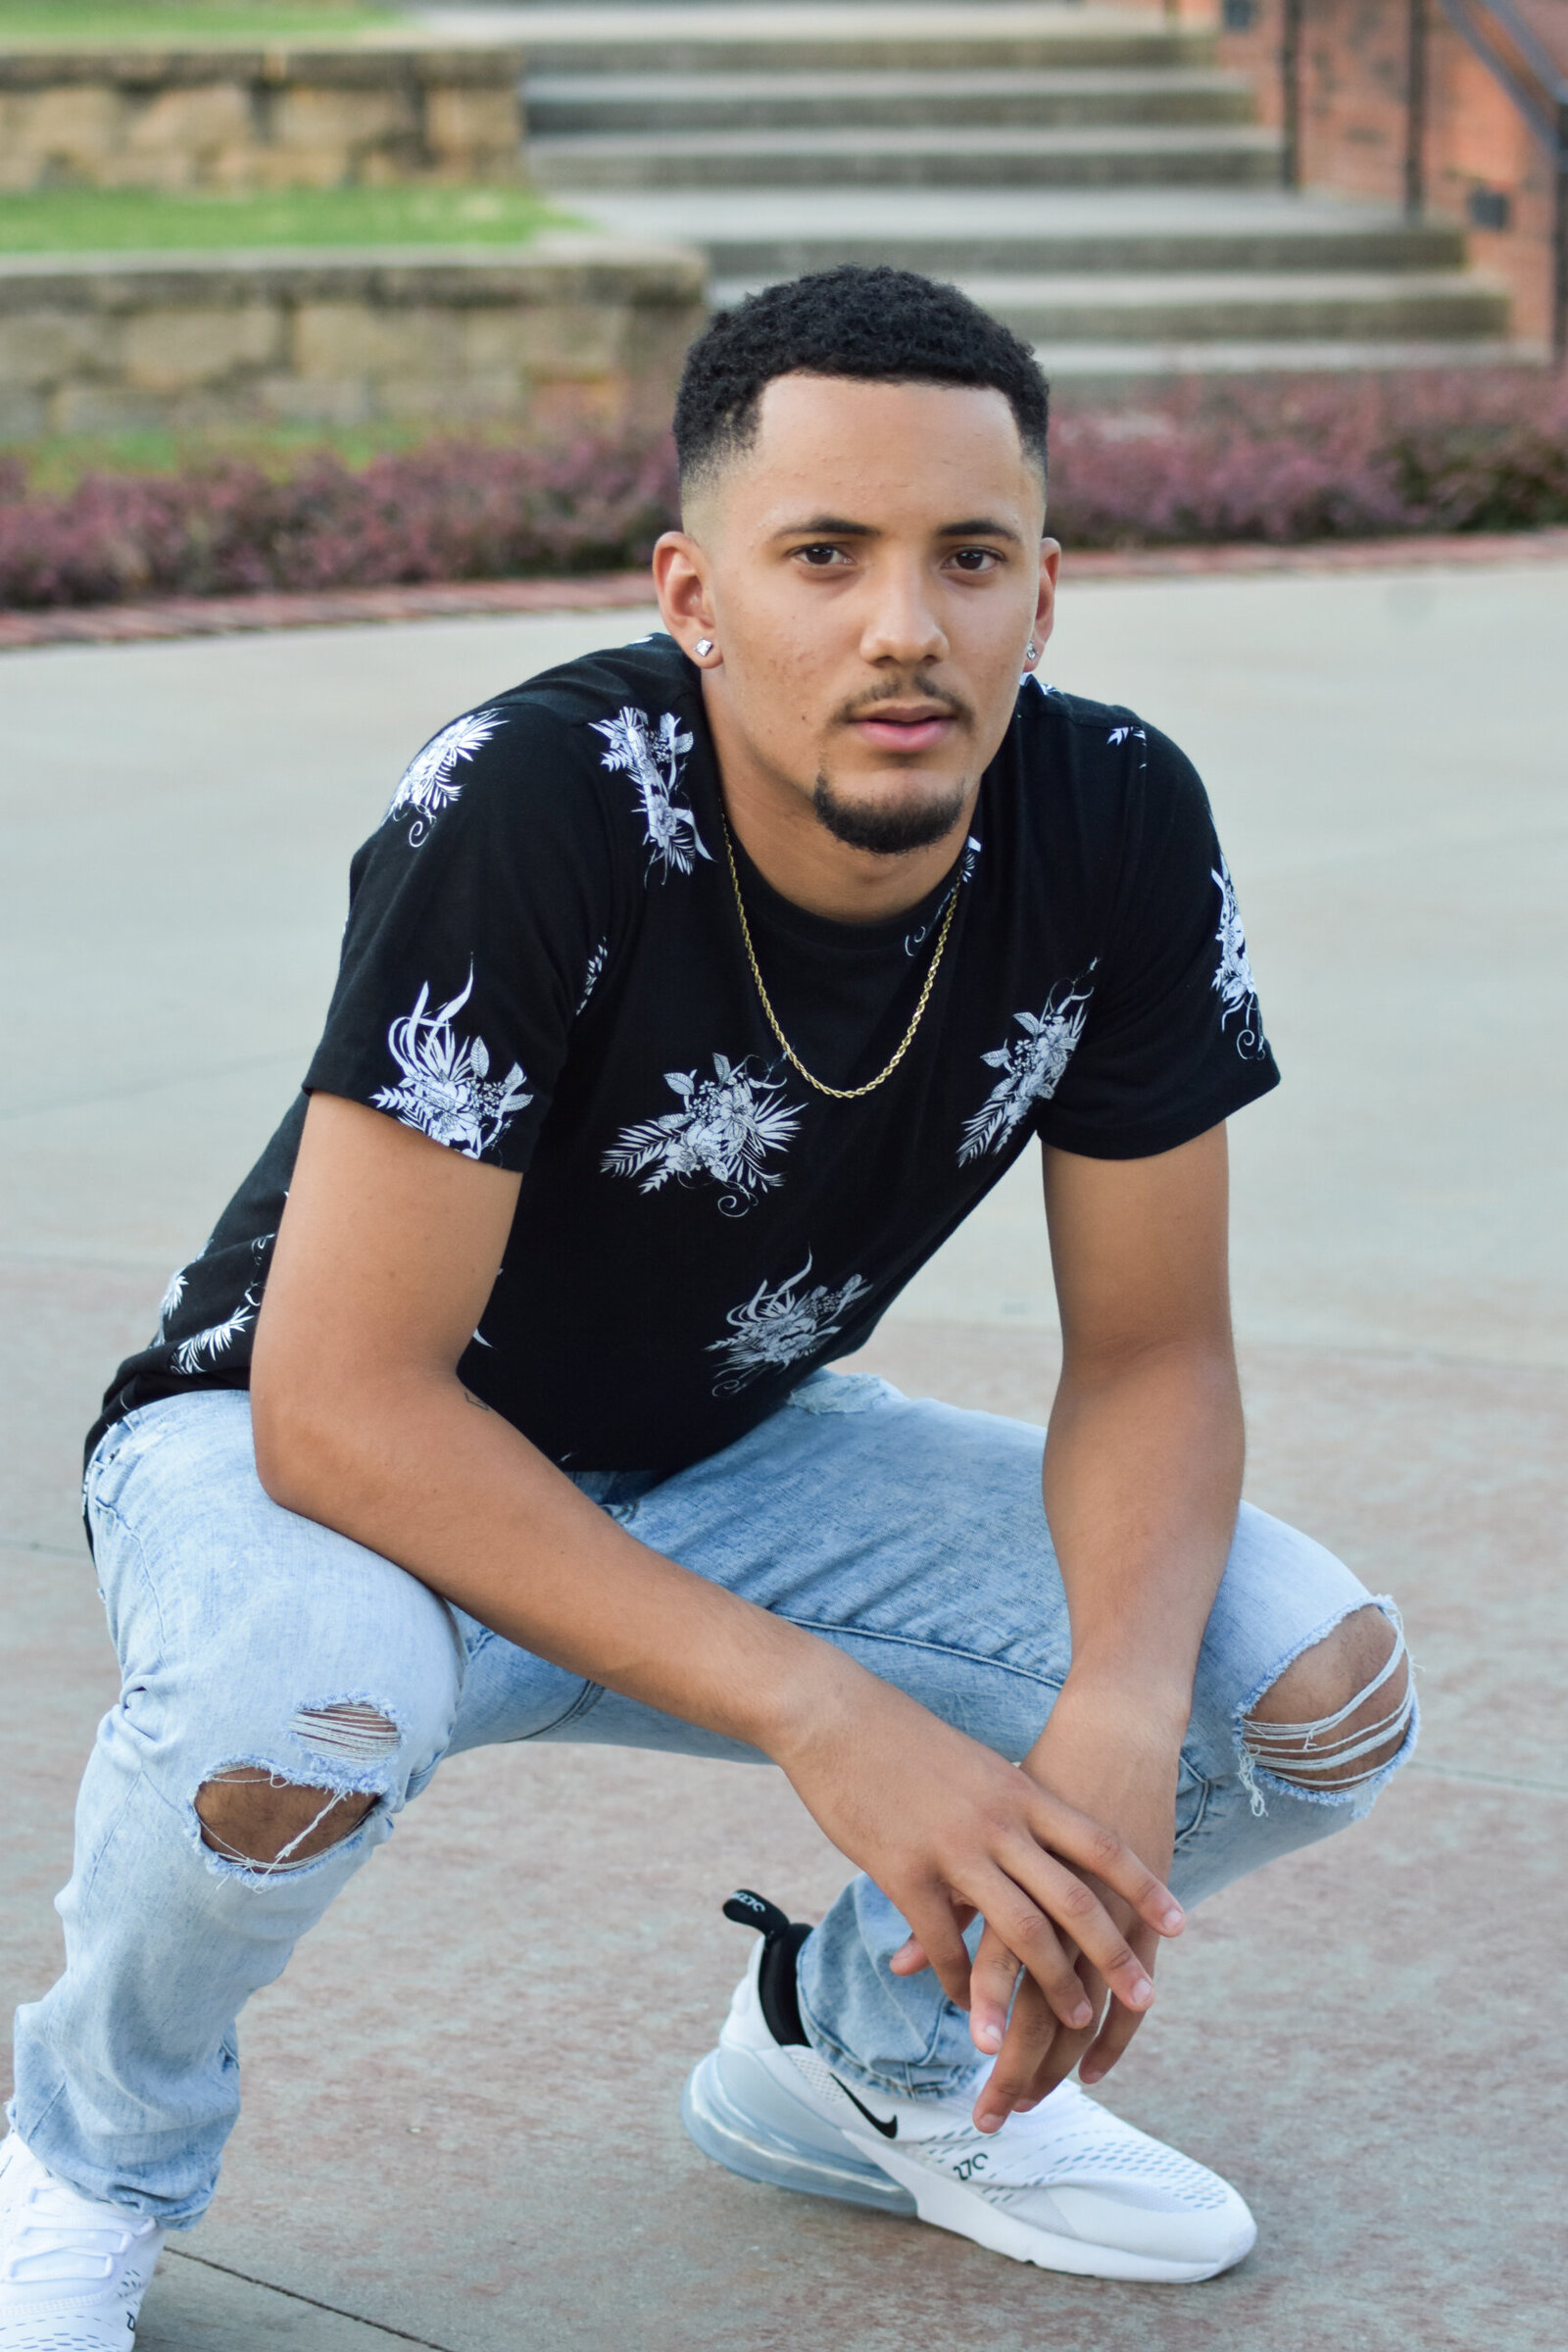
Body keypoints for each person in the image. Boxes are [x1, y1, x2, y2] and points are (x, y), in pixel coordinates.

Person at [1, 267, 1415, 2343]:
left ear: (1048, 589)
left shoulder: (1112, 822)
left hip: (718, 1448)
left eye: (968, 558)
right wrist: (827, 1712)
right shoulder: (534, 801)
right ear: (694, 592)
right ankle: (77, 2152)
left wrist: (1106, 1716)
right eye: (822, 556)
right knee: (288, 1719)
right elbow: (337, 1402)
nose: (902, 628)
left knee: (1300, 1701)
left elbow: (1148, 1354)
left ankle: (858, 2057)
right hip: (311, 1452)